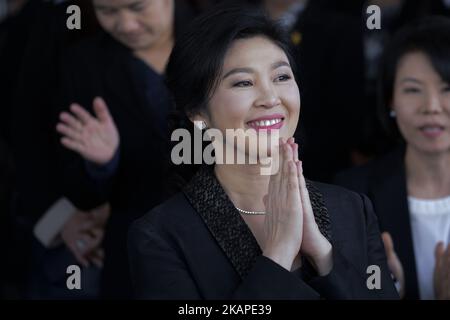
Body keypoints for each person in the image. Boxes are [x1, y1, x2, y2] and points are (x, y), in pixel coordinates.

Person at [127, 6, 399, 299]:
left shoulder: (353, 209)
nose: (271, 98)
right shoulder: (160, 235)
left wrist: (323, 256)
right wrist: (278, 255)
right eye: (243, 82)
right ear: (197, 112)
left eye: (281, 77)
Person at [54, 0, 194, 298]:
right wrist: (100, 165)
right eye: (108, 11)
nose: (126, 24)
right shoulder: (83, 64)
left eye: (138, 7)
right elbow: (77, 189)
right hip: (131, 244)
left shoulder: (222, 39)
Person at [335, 17, 450, 300]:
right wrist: (386, 292)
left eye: (447, 89)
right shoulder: (351, 195)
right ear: (390, 101)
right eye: (412, 90)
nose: (431, 107)